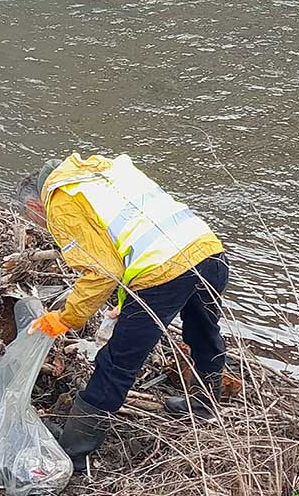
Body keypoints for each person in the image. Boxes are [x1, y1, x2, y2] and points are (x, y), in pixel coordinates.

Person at [16, 153, 230, 470]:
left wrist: (66, 318)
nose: (43, 225)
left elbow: (101, 271)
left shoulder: (60, 202)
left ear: (35, 206)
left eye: (36, 220)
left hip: (164, 273)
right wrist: (123, 299)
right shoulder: (100, 173)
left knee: (118, 360)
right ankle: (204, 401)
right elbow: (127, 240)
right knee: (203, 330)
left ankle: (75, 449)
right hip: (209, 252)